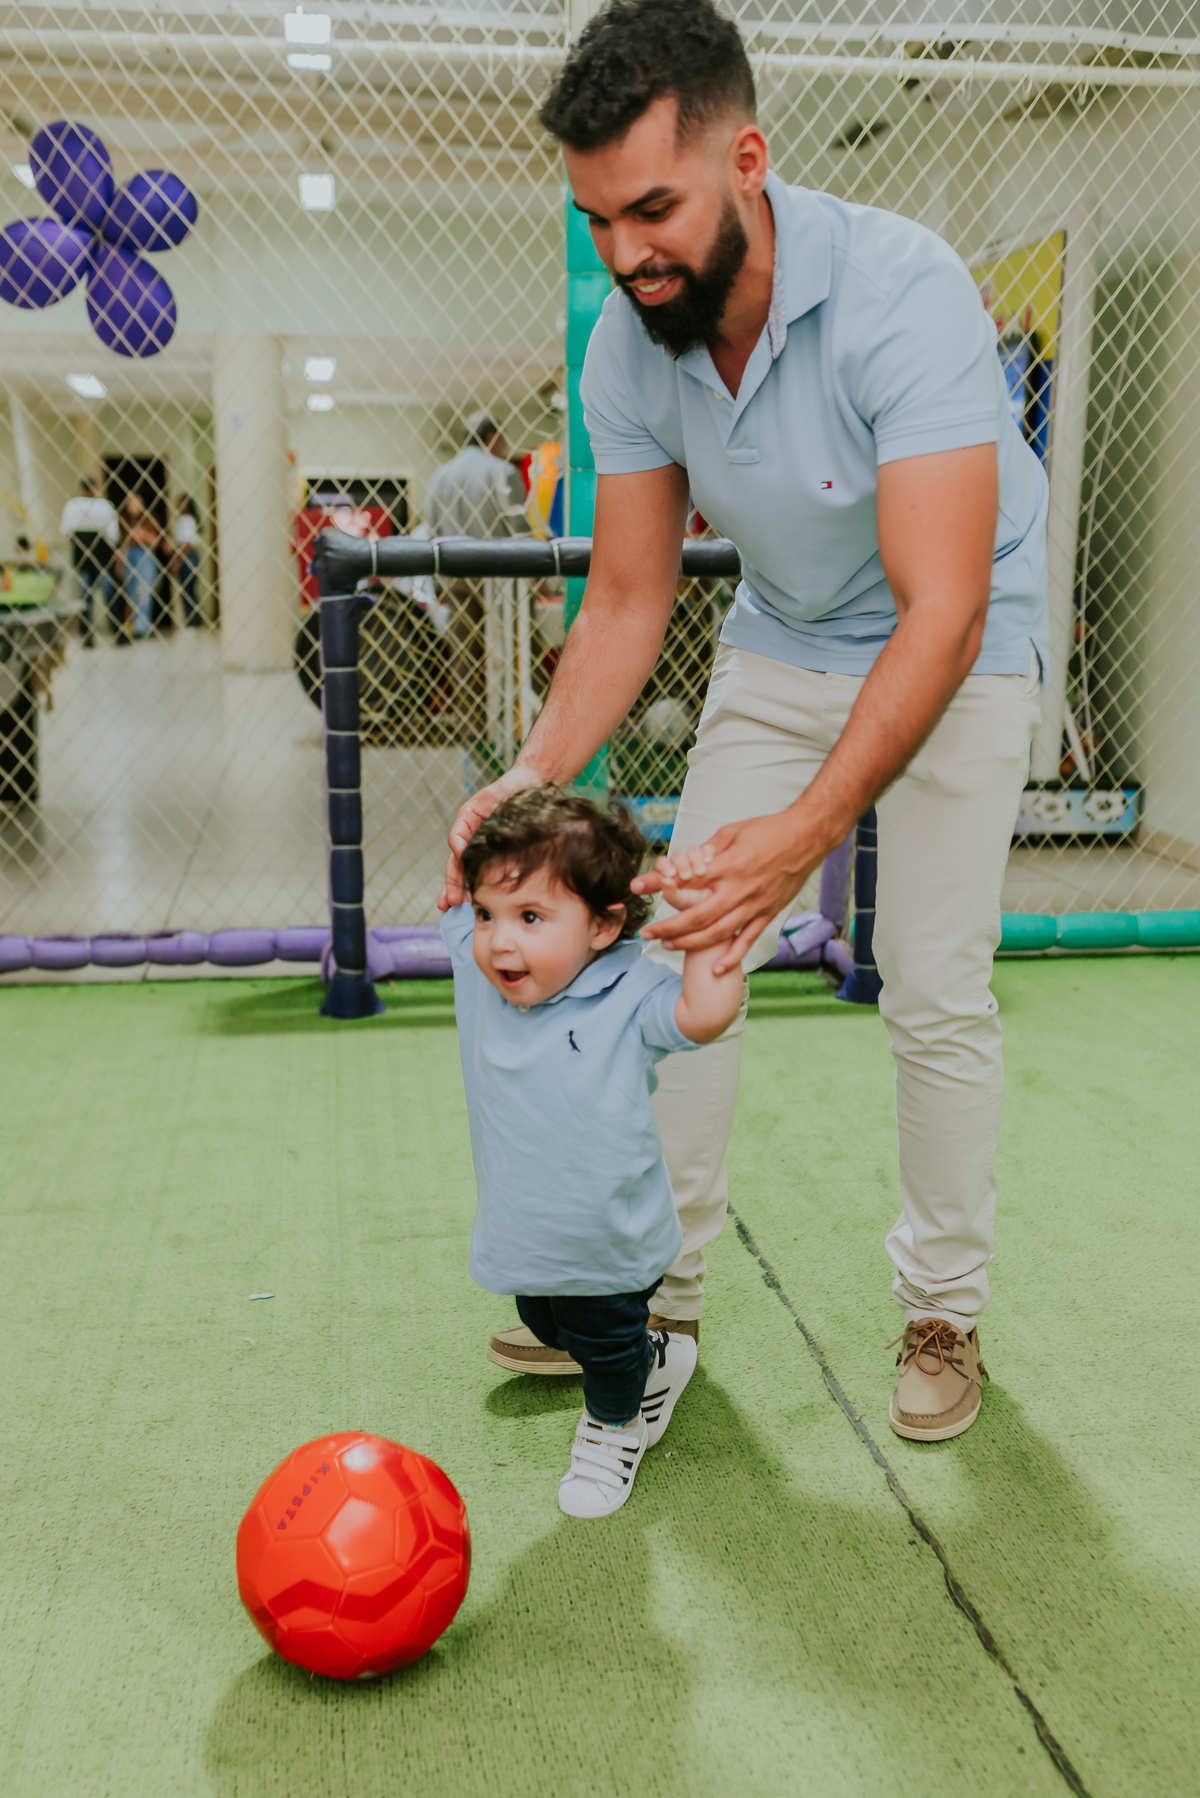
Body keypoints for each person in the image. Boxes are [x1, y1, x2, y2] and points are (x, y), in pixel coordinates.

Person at [440, 0, 1048, 1443]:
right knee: (678, 940)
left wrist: (808, 834)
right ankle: (652, 1293)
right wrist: (528, 775)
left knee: (930, 976)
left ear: (748, 159)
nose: (628, 252)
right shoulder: (631, 349)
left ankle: (943, 1304)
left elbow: (941, 607)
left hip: (961, 634)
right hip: (781, 636)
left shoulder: (907, 290)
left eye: (654, 206)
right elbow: (629, 603)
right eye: (599, 221)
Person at [442, 786, 743, 1516]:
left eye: (532, 917)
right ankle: (649, 1359)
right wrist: (471, 852)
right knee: (549, 1324)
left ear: (604, 926)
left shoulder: (627, 994)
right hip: (526, 1229)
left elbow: (705, 1014)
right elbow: (462, 894)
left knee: (602, 1348)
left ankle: (615, 1426)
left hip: (610, 1238)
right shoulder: (486, 977)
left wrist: (711, 931)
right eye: (488, 916)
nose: (500, 939)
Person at [424, 410, 526, 540]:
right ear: (490, 437)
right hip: (494, 558)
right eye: (502, 437)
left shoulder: (440, 475)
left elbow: (432, 528)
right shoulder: (504, 472)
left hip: (451, 558)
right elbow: (519, 529)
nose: (505, 445)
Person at [59, 476, 118, 647]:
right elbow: (113, 536)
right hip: (103, 558)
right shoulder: (106, 506)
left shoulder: (72, 505)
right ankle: (118, 633)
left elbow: (65, 531)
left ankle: (87, 637)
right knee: (110, 597)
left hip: (83, 557)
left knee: (85, 600)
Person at [117, 494, 160, 641]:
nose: (133, 506)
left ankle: (143, 628)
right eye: (131, 503)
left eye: (136, 503)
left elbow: (156, 542)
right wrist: (119, 562)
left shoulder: (149, 520)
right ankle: (132, 626)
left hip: (144, 554)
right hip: (130, 555)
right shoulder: (124, 520)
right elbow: (123, 543)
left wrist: (144, 535)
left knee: (144, 591)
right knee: (131, 592)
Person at [169, 495, 202, 627]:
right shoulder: (185, 520)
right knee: (188, 589)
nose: (178, 506)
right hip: (187, 555)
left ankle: (192, 620)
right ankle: (192, 619)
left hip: (187, 555)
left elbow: (186, 544)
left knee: (188, 590)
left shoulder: (187, 520)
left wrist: (178, 561)